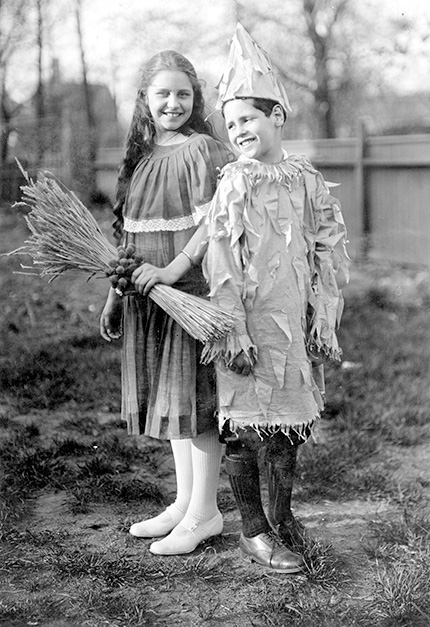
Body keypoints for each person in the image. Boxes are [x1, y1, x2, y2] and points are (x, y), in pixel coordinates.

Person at [132, 24, 349, 573]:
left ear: (277, 116)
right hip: (244, 325)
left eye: (248, 118)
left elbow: (327, 244)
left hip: (291, 324)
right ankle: (253, 530)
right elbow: (221, 259)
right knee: (249, 430)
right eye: (231, 123)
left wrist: (322, 312)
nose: (239, 130)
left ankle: (283, 517)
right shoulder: (233, 183)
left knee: (287, 429)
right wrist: (234, 329)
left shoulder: (307, 180)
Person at [100, 49, 234, 556]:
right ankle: (185, 503)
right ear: (145, 101)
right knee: (171, 397)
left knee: (196, 400)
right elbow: (127, 239)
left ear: (195, 97)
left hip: (189, 288)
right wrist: (116, 294)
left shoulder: (202, 149)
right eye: (163, 94)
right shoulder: (140, 157)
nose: (173, 103)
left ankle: (206, 512)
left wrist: (175, 272)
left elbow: (216, 222)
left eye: (183, 93)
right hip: (146, 293)